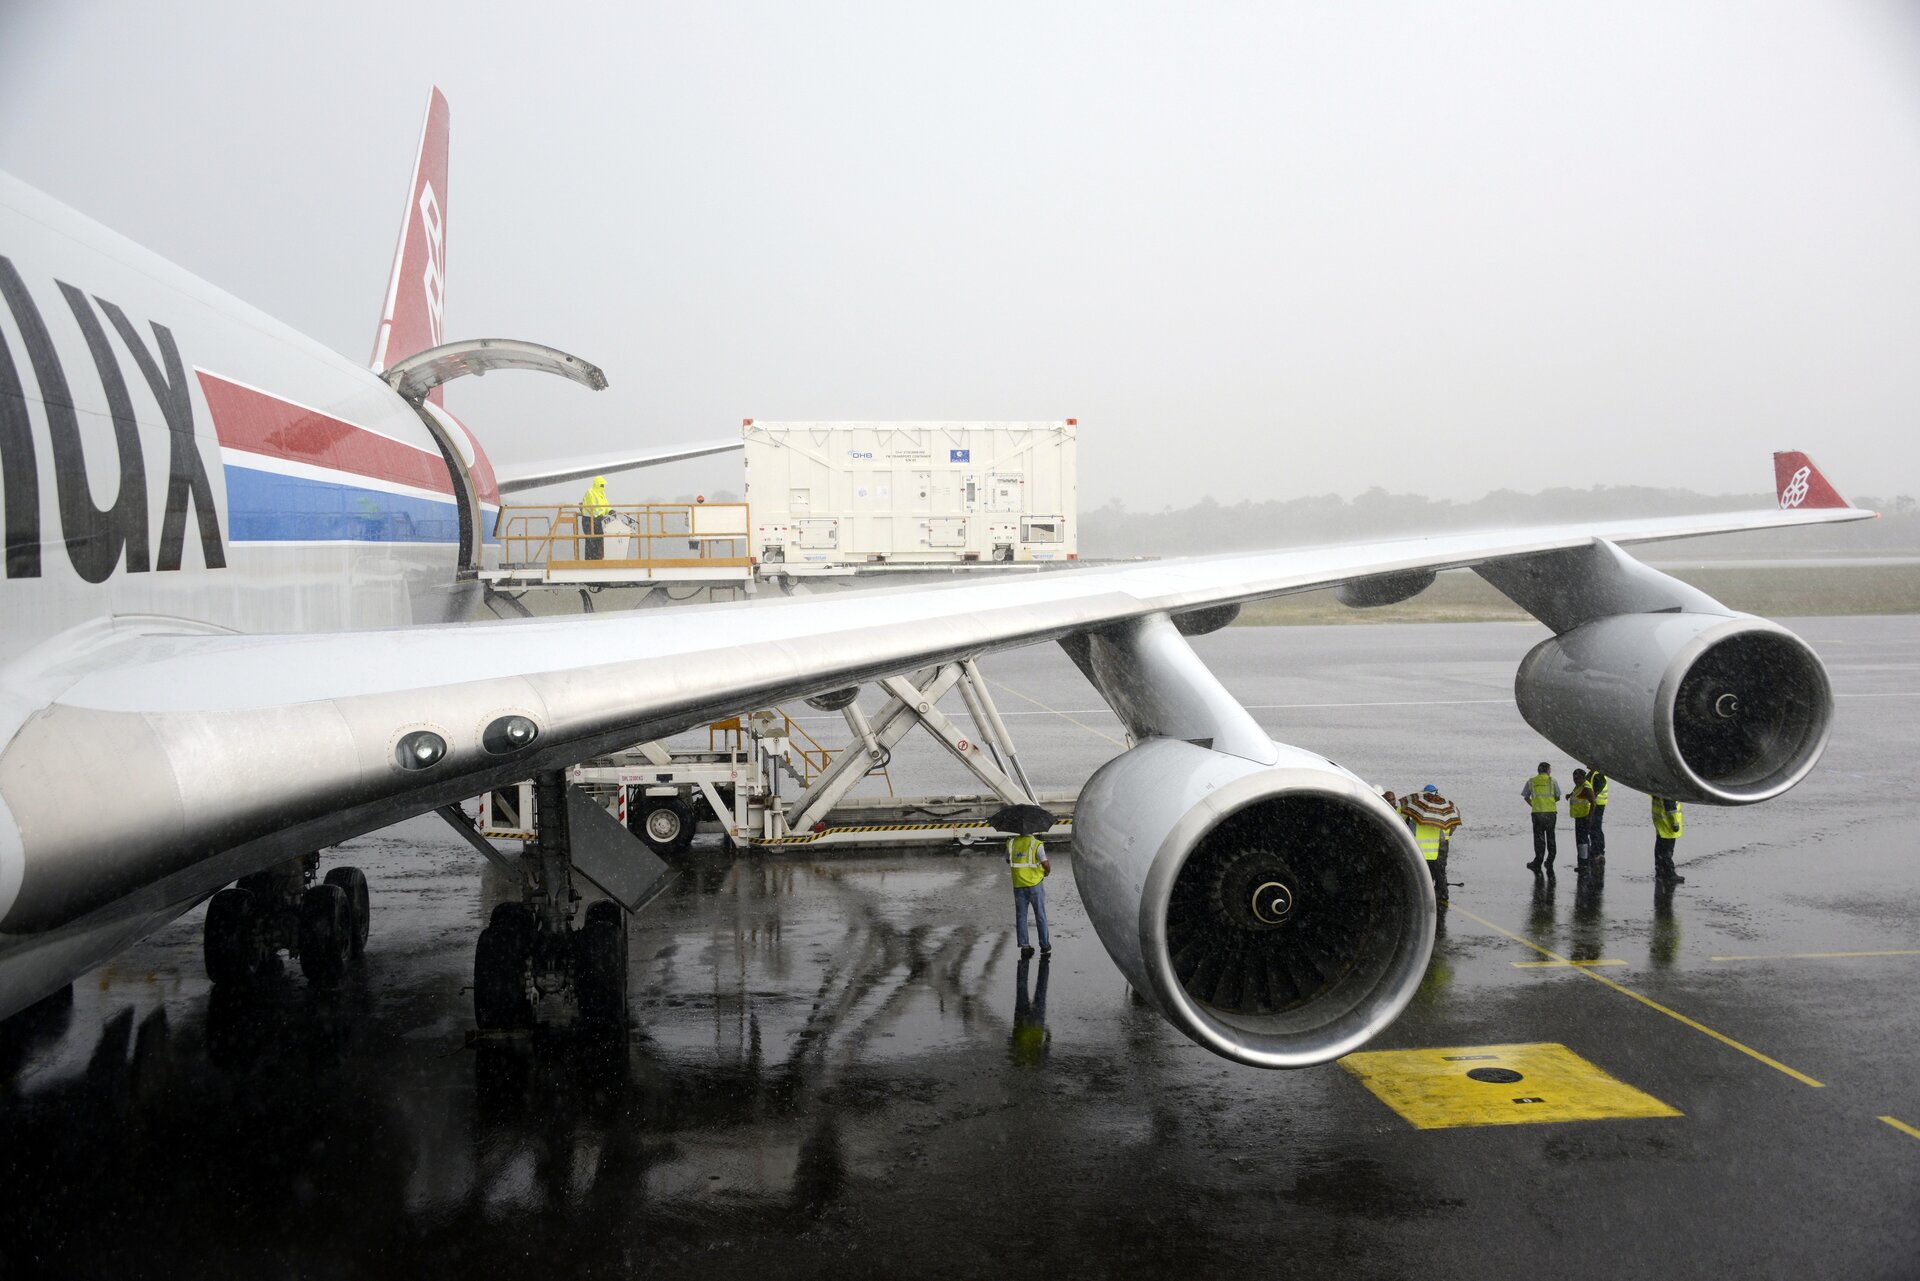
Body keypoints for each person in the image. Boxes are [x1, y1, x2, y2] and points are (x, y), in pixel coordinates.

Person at [1398, 784, 1463, 899]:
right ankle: (1439, 891)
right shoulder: (1446, 807)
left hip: (1423, 850)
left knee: (1427, 873)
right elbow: (1452, 825)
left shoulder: (1418, 812)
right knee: (1439, 870)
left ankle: (1433, 892)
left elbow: (1410, 831)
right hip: (1436, 848)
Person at [1007, 830, 1052, 958]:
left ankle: (1024, 946)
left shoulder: (1011, 843)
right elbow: (1045, 863)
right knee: (1040, 915)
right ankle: (1044, 945)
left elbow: (1008, 859)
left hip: (1018, 886)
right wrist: (1047, 872)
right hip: (1035, 885)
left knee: (1021, 917)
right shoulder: (1036, 844)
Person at [1522, 761, 1561, 873]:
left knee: (1539, 839)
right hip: (1551, 813)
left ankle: (1538, 862)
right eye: (1550, 769)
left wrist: (1534, 804)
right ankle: (1550, 861)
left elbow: (1525, 796)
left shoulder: (1532, 781)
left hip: (1538, 813)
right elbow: (1558, 796)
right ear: (1548, 770)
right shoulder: (1553, 781)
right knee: (1551, 837)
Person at [1651, 796, 1685, 884]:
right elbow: (1671, 806)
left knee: (1660, 849)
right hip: (1668, 823)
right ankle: (1670, 874)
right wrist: (1675, 822)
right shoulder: (1670, 787)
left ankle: (1660, 873)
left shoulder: (1659, 786)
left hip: (1661, 821)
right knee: (1667, 851)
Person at [1569, 769, 1597, 873]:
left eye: (1577, 778)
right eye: (1574, 778)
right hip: (1579, 817)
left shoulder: (1586, 786)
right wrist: (1570, 795)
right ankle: (1583, 862)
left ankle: (1584, 864)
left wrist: (1590, 817)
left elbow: (1593, 803)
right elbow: (1577, 796)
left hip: (1584, 817)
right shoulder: (1579, 786)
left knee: (1583, 842)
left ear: (1582, 777)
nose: (1575, 780)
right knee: (1580, 841)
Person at [579, 475, 610, 561]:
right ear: (597, 484)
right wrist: (599, 516)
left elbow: (605, 506)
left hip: (597, 520)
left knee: (599, 539)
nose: (603, 487)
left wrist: (610, 510)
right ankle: (590, 560)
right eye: (602, 485)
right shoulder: (590, 493)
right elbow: (593, 508)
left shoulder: (601, 494)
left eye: (603, 485)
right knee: (591, 540)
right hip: (589, 520)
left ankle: (597, 559)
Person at [1586, 766, 1610, 862]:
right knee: (1594, 826)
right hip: (1595, 804)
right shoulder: (1592, 774)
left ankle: (1598, 850)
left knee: (1595, 826)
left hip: (1598, 804)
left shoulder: (1598, 774)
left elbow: (1597, 789)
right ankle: (1596, 848)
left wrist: (1593, 796)